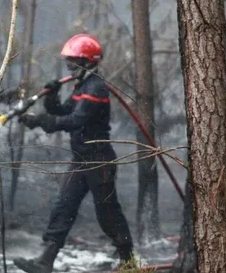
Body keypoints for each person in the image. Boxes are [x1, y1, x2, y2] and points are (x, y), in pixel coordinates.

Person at [13, 34, 136, 273]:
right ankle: (45, 261)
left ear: (89, 61)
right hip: (81, 160)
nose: (69, 65)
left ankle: (129, 261)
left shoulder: (96, 87)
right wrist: (52, 95)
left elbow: (75, 120)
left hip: (99, 160)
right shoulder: (82, 86)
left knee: (107, 213)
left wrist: (41, 120)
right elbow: (63, 110)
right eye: (68, 60)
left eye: (74, 60)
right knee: (64, 206)